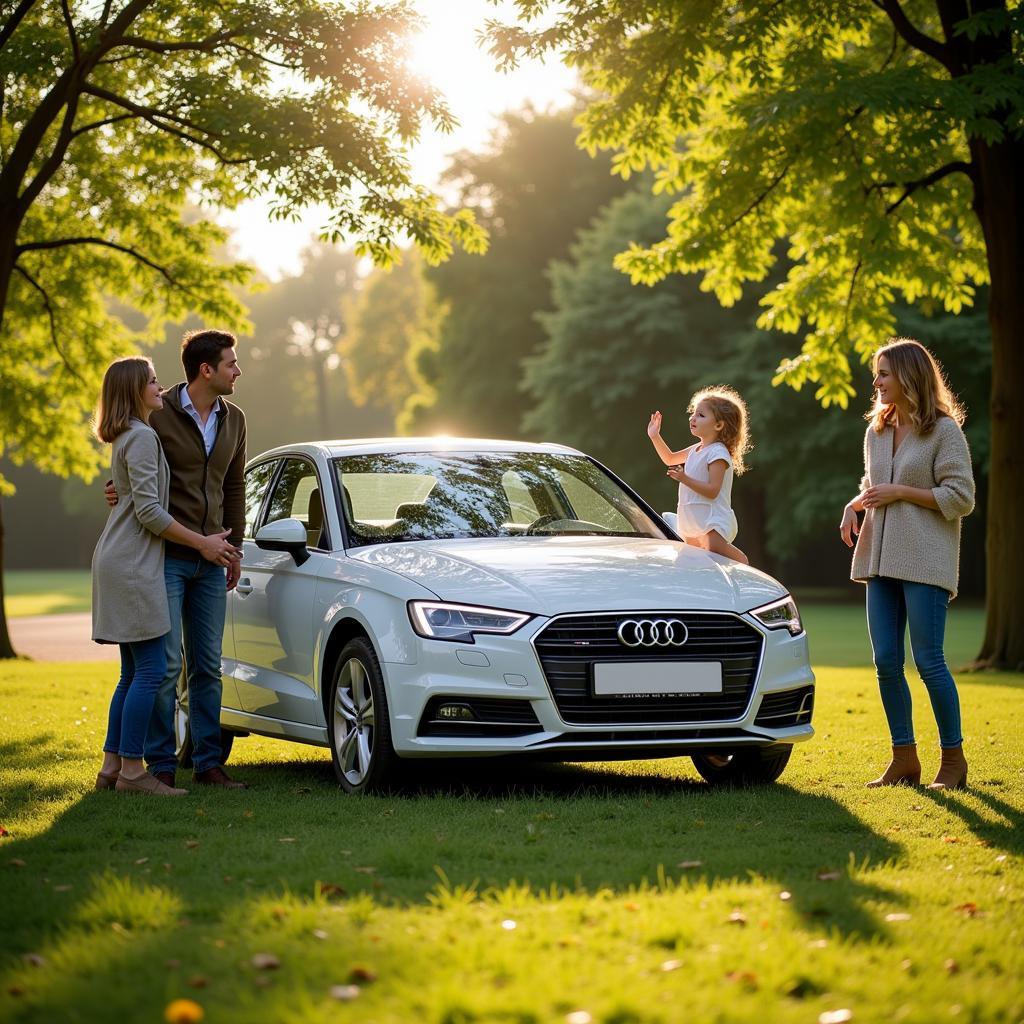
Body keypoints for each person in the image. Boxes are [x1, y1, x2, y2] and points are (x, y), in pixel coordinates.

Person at [106, 329, 247, 789]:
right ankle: (160, 765)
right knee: (163, 666)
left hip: (212, 557)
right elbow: (133, 474)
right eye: (231, 363)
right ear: (206, 369)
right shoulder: (158, 413)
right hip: (164, 556)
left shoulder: (236, 420)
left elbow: (233, 487)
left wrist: (234, 547)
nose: (237, 370)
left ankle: (208, 763)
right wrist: (117, 491)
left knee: (208, 664)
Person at [840, 338, 975, 790]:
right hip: (878, 559)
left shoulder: (943, 431)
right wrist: (854, 503)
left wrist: (902, 494)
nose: (876, 382)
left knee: (930, 661)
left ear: (908, 376)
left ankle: (953, 761)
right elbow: (874, 482)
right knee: (886, 663)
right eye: (876, 374)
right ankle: (904, 759)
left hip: (925, 561)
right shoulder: (875, 430)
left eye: (883, 373)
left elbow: (961, 496)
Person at [647, 385, 751, 564]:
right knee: (696, 562)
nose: (693, 418)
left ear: (718, 425)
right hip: (692, 518)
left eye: (701, 415)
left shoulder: (717, 453)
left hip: (711, 519)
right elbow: (670, 458)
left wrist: (684, 479)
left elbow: (712, 490)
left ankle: (743, 563)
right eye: (693, 413)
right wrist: (655, 436)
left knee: (715, 547)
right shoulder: (696, 449)